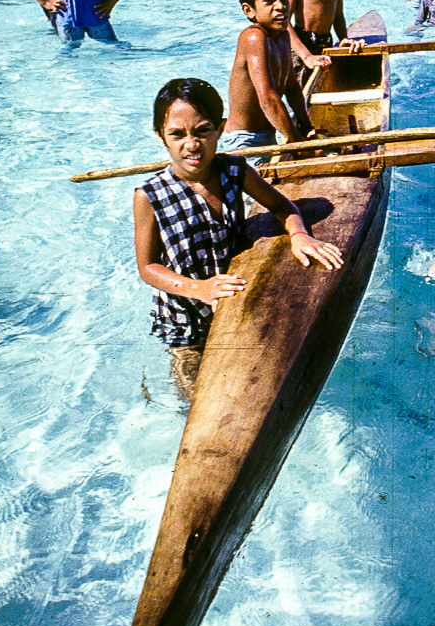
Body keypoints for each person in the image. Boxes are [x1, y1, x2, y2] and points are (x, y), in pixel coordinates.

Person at [134, 77, 342, 398]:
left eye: (202, 131)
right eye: (177, 134)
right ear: (161, 137)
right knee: (194, 397)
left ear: (220, 128)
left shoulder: (234, 170)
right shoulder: (150, 195)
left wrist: (299, 233)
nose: (191, 144)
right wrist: (199, 289)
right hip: (184, 318)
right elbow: (147, 267)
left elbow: (281, 205)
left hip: (234, 298)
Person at [222, 0, 319, 154]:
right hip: (244, 141)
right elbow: (268, 99)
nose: (281, 6)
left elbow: (291, 86)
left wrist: (308, 128)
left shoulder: (282, 35)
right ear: (249, 10)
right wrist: (298, 145)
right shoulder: (254, 37)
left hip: (268, 132)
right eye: (269, 1)